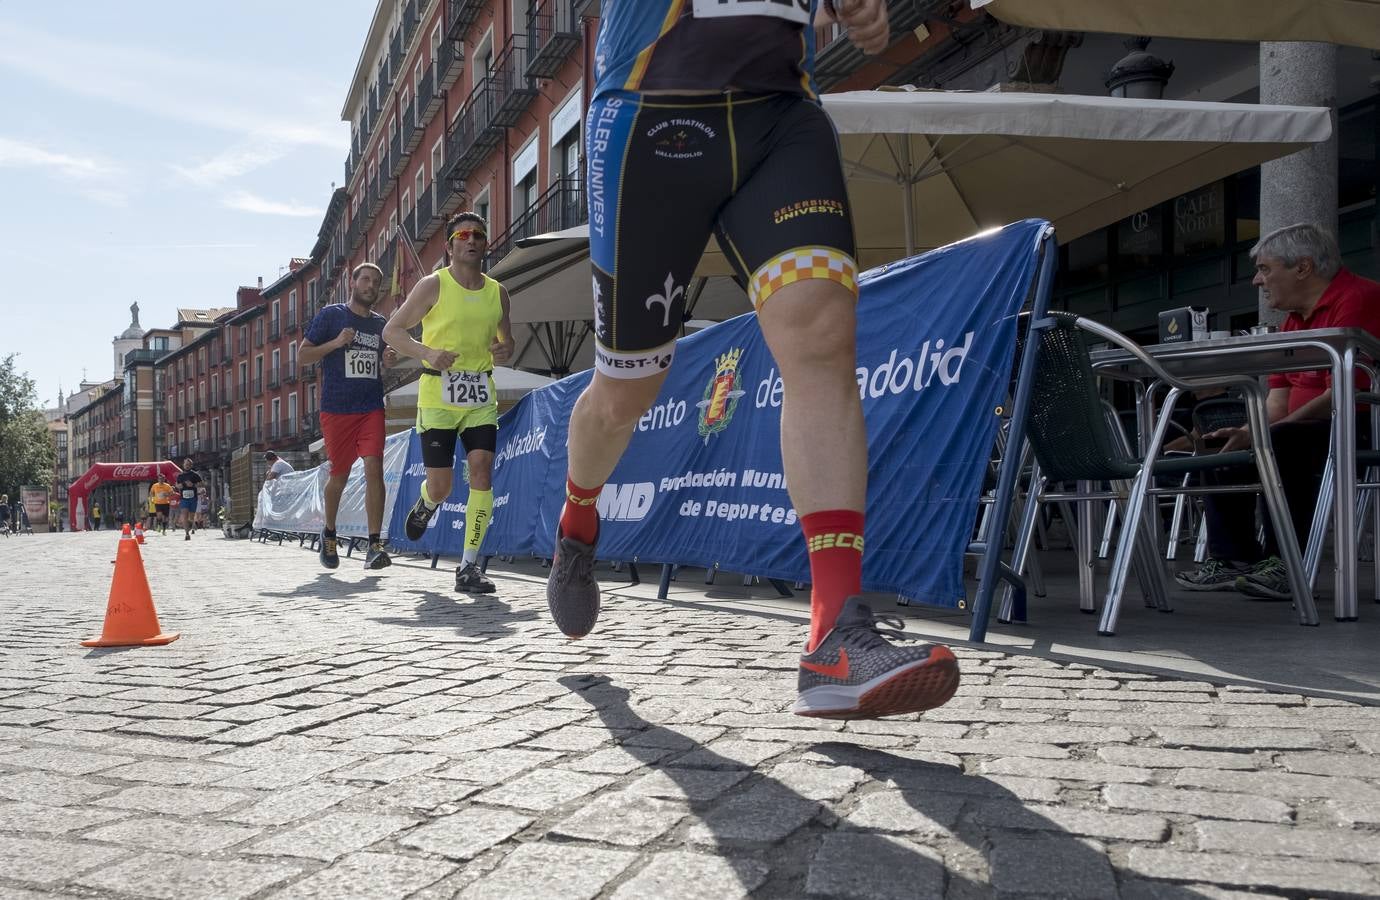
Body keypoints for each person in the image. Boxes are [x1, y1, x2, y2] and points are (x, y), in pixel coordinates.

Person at [540, 0, 959, 720]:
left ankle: (835, 635)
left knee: (823, 336)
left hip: (780, 117)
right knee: (625, 394)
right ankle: (578, 520)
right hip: (651, 112)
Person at [1175, 223, 1380, 600]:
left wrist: (1268, 432)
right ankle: (1235, 559)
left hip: (1359, 422)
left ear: (1302, 267)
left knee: (1282, 441)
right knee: (1223, 444)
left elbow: (1345, 391)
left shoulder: (1358, 298)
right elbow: (1277, 400)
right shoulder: (1293, 318)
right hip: (1309, 429)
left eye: (1265, 269)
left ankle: (1284, 563)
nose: (1256, 280)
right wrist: (1248, 430)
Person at [384, 212, 515, 594]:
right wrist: (427, 351)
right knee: (440, 486)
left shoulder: (498, 292)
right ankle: (427, 503)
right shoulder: (432, 285)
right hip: (438, 395)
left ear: (485, 243)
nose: (471, 240)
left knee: (481, 470)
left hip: (479, 395)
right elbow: (392, 330)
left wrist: (505, 347)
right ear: (450, 245)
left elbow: (506, 340)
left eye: (478, 234)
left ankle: (469, 566)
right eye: (463, 234)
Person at [299, 261, 398, 571]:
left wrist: (389, 358)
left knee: (374, 466)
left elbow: (386, 359)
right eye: (365, 279)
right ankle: (329, 531)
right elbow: (303, 356)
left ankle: (374, 545)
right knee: (338, 475)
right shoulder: (332, 316)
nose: (370, 285)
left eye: (375, 282)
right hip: (337, 408)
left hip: (370, 406)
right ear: (353, 284)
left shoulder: (381, 325)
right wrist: (336, 343)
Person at [175, 458, 202, 541]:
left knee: (191, 517)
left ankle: (189, 527)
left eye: (189, 465)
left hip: (193, 498)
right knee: (184, 515)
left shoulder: (195, 475)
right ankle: (187, 534)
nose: (187, 466)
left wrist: (193, 485)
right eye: (186, 464)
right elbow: (177, 485)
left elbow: (202, 484)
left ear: (191, 466)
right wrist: (179, 486)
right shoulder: (180, 476)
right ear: (183, 465)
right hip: (184, 499)